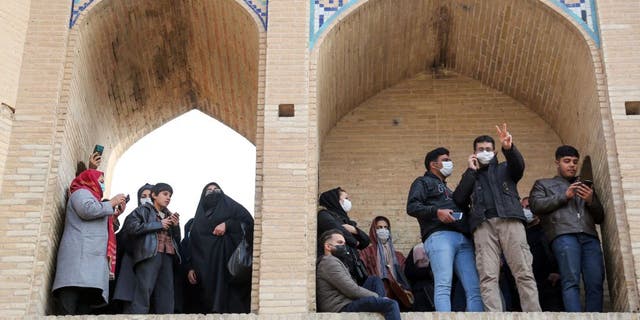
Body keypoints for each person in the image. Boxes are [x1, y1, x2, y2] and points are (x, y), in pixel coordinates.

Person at [453, 124, 541, 312]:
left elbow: (519, 166)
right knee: (488, 275)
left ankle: (534, 314)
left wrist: (509, 147)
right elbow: (459, 198)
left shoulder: (506, 168)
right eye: (481, 149)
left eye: (488, 149)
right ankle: (494, 315)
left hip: (511, 220)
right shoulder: (470, 175)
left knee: (523, 270)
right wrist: (471, 171)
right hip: (483, 226)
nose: (485, 152)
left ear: (494, 151)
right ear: (474, 153)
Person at [529, 145, 605, 312]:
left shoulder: (585, 186)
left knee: (595, 281)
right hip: (564, 235)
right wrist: (565, 196)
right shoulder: (544, 184)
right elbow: (536, 206)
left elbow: (600, 217)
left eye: (575, 162)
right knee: (570, 280)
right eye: (567, 161)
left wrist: (591, 200)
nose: (572, 165)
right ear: (557, 163)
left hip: (589, 236)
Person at [406, 147, 483, 312]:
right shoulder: (422, 182)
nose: (450, 163)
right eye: (446, 160)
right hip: (439, 236)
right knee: (443, 285)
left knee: (474, 288)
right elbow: (412, 206)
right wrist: (437, 212)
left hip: (463, 238)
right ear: (433, 165)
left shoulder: (448, 189)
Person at [52, 169, 127, 315]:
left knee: (84, 309)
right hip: (78, 258)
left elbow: (98, 219)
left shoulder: (95, 199)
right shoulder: (81, 192)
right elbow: (87, 210)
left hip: (88, 267)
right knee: (68, 305)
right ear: (90, 179)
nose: (102, 185)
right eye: (101, 181)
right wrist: (112, 202)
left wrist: (114, 213)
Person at [188, 182, 254, 313]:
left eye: (216, 189)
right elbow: (192, 245)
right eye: (209, 190)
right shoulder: (198, 220)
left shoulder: (232, 208)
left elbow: (249, 224)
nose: (213, 192)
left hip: (229, 263)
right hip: (206, 269)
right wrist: (190, 267)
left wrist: (228, 224)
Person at [122, 183, 181, 314]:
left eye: (170, 195)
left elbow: (177, 240)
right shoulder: (142, 210)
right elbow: (131, 227)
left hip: (168, 255)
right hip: (149, 254)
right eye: (165, 194)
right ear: (154, 195)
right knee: (144, 290)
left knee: (167, 293)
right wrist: (158, 224)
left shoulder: (170, 214)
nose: (168, 198)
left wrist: (176, 227)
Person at [316, 229, 401, 320]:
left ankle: (380, 303)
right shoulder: (329, 263)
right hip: (340, 307)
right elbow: (351, 290)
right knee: (391, 304)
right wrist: (379, 298)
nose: (344, 246)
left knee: (374, 280)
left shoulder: (333, 261)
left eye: (344, 243)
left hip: (346, 301)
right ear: (328, 246)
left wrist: (379, 299)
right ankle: (382, 303)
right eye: (340, 242)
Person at [112, 183, 154, 311]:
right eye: (143, 196)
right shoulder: (134, 216)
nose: (146, 199)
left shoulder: (165, 219)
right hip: (130, 265)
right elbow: (121, 239)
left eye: (149, 196)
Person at [317, 187, 370, 284]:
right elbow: (338, 230)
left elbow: (366, 241)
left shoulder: (345, 220)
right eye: (346, 198)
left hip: (353, 270)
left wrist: (355, 230)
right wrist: (355, 242)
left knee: (375, 282)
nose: (348, 201)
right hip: (337, 269)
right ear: (335, 200)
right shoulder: (324, 215)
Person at [359, 216, 413, 309]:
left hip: (397, 295)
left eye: (386, 227)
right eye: (379, 227)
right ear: (373, 230)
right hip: (376, 293)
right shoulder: (367, 252)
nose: (383, 230)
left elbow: (404, 276)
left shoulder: (398, 256)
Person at [521, 196, 564, 311]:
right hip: (529, 286)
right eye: (522, 207)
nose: (525, 210)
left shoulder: (548, 230)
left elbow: (560, 252)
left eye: (528, 207)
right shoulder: (520, 233)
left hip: (551, 283)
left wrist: (557, 272)